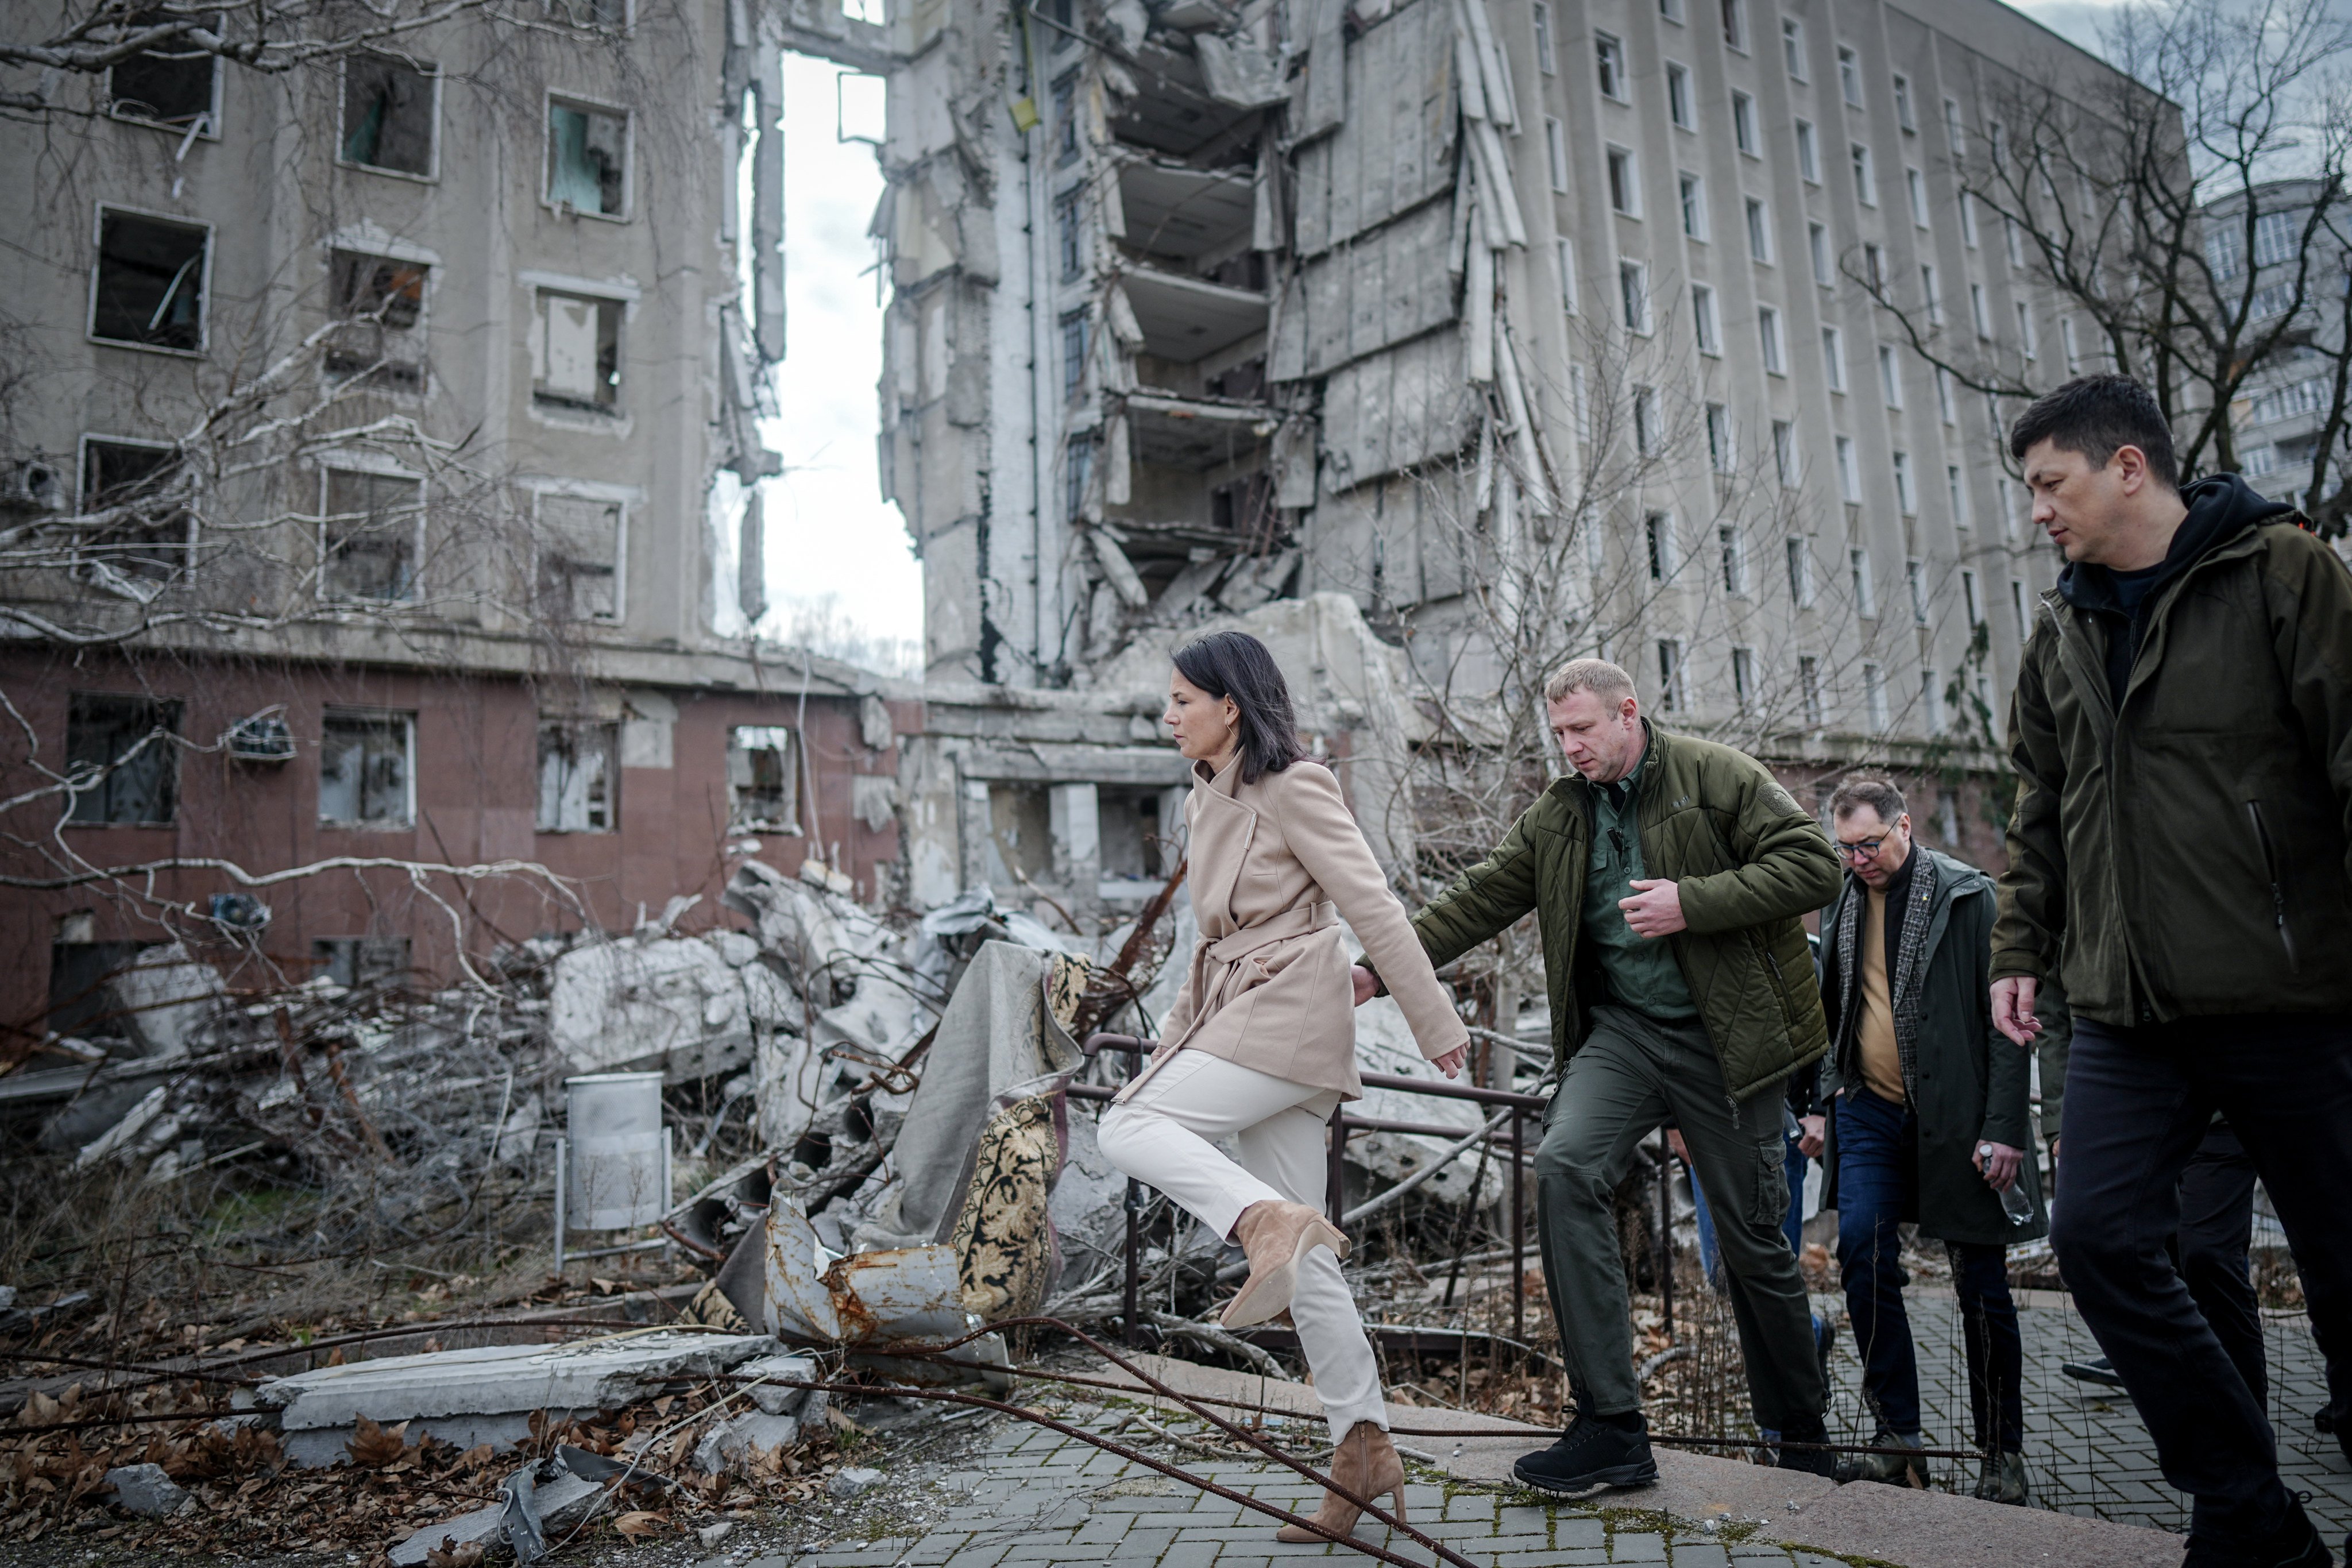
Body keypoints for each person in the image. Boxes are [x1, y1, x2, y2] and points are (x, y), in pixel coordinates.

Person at [1990, 374, 2352, 1568]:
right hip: (2127, 1010)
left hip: (2291, 1001)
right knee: (2095, 1241)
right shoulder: (2062, 623)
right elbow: (2039, 804)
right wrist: (2021, 948)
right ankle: (2247, 1512)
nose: (2037, 510)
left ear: (2127, 468)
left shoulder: (2282, 574)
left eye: (2050, 484)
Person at [1353, 658, 1844, 1493]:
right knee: (1565, 1164)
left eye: (1583, 729)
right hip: (1621, 1033)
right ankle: (1610, 1426)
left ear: (1628, 713)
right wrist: (1374, 969)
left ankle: (1799, 1438)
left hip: (1725, 1043)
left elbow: (1813, 866)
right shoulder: (1559, 814)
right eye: (1559, 735)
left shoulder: (1716, 776)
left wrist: (1694, 900)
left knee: (1756, 1245)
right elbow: (1477, 897)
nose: (1571, 747)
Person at [1095, 631, 1472, 1543]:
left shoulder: (1295, 784)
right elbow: (1204, 950)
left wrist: (1436, 1024)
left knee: (1123, 1129)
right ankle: (1362, 1446)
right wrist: (1167, 1048)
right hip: (1244, 1015)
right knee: (1304, 1267)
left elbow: (1371, 902)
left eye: (1181, 698)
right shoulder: (1207, 794)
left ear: (1230, 705)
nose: (1167, 714)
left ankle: (1257, 1218)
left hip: (1285, 1015)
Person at [1810, 774, 2043, 1504]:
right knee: (1861, 1253)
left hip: (1962, 1116)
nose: (1858, 859)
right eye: (1846, 847)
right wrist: (1823, 1100)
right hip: (1871, 1109)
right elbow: (1832, 1006)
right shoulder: (1844, 897)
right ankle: (1897, 1443)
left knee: (1981, 1285)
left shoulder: (1972, 897)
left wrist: (2005, 1128)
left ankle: (2002, 1454)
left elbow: (2010, 1027)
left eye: (1870, 844)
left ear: (1906, 827)